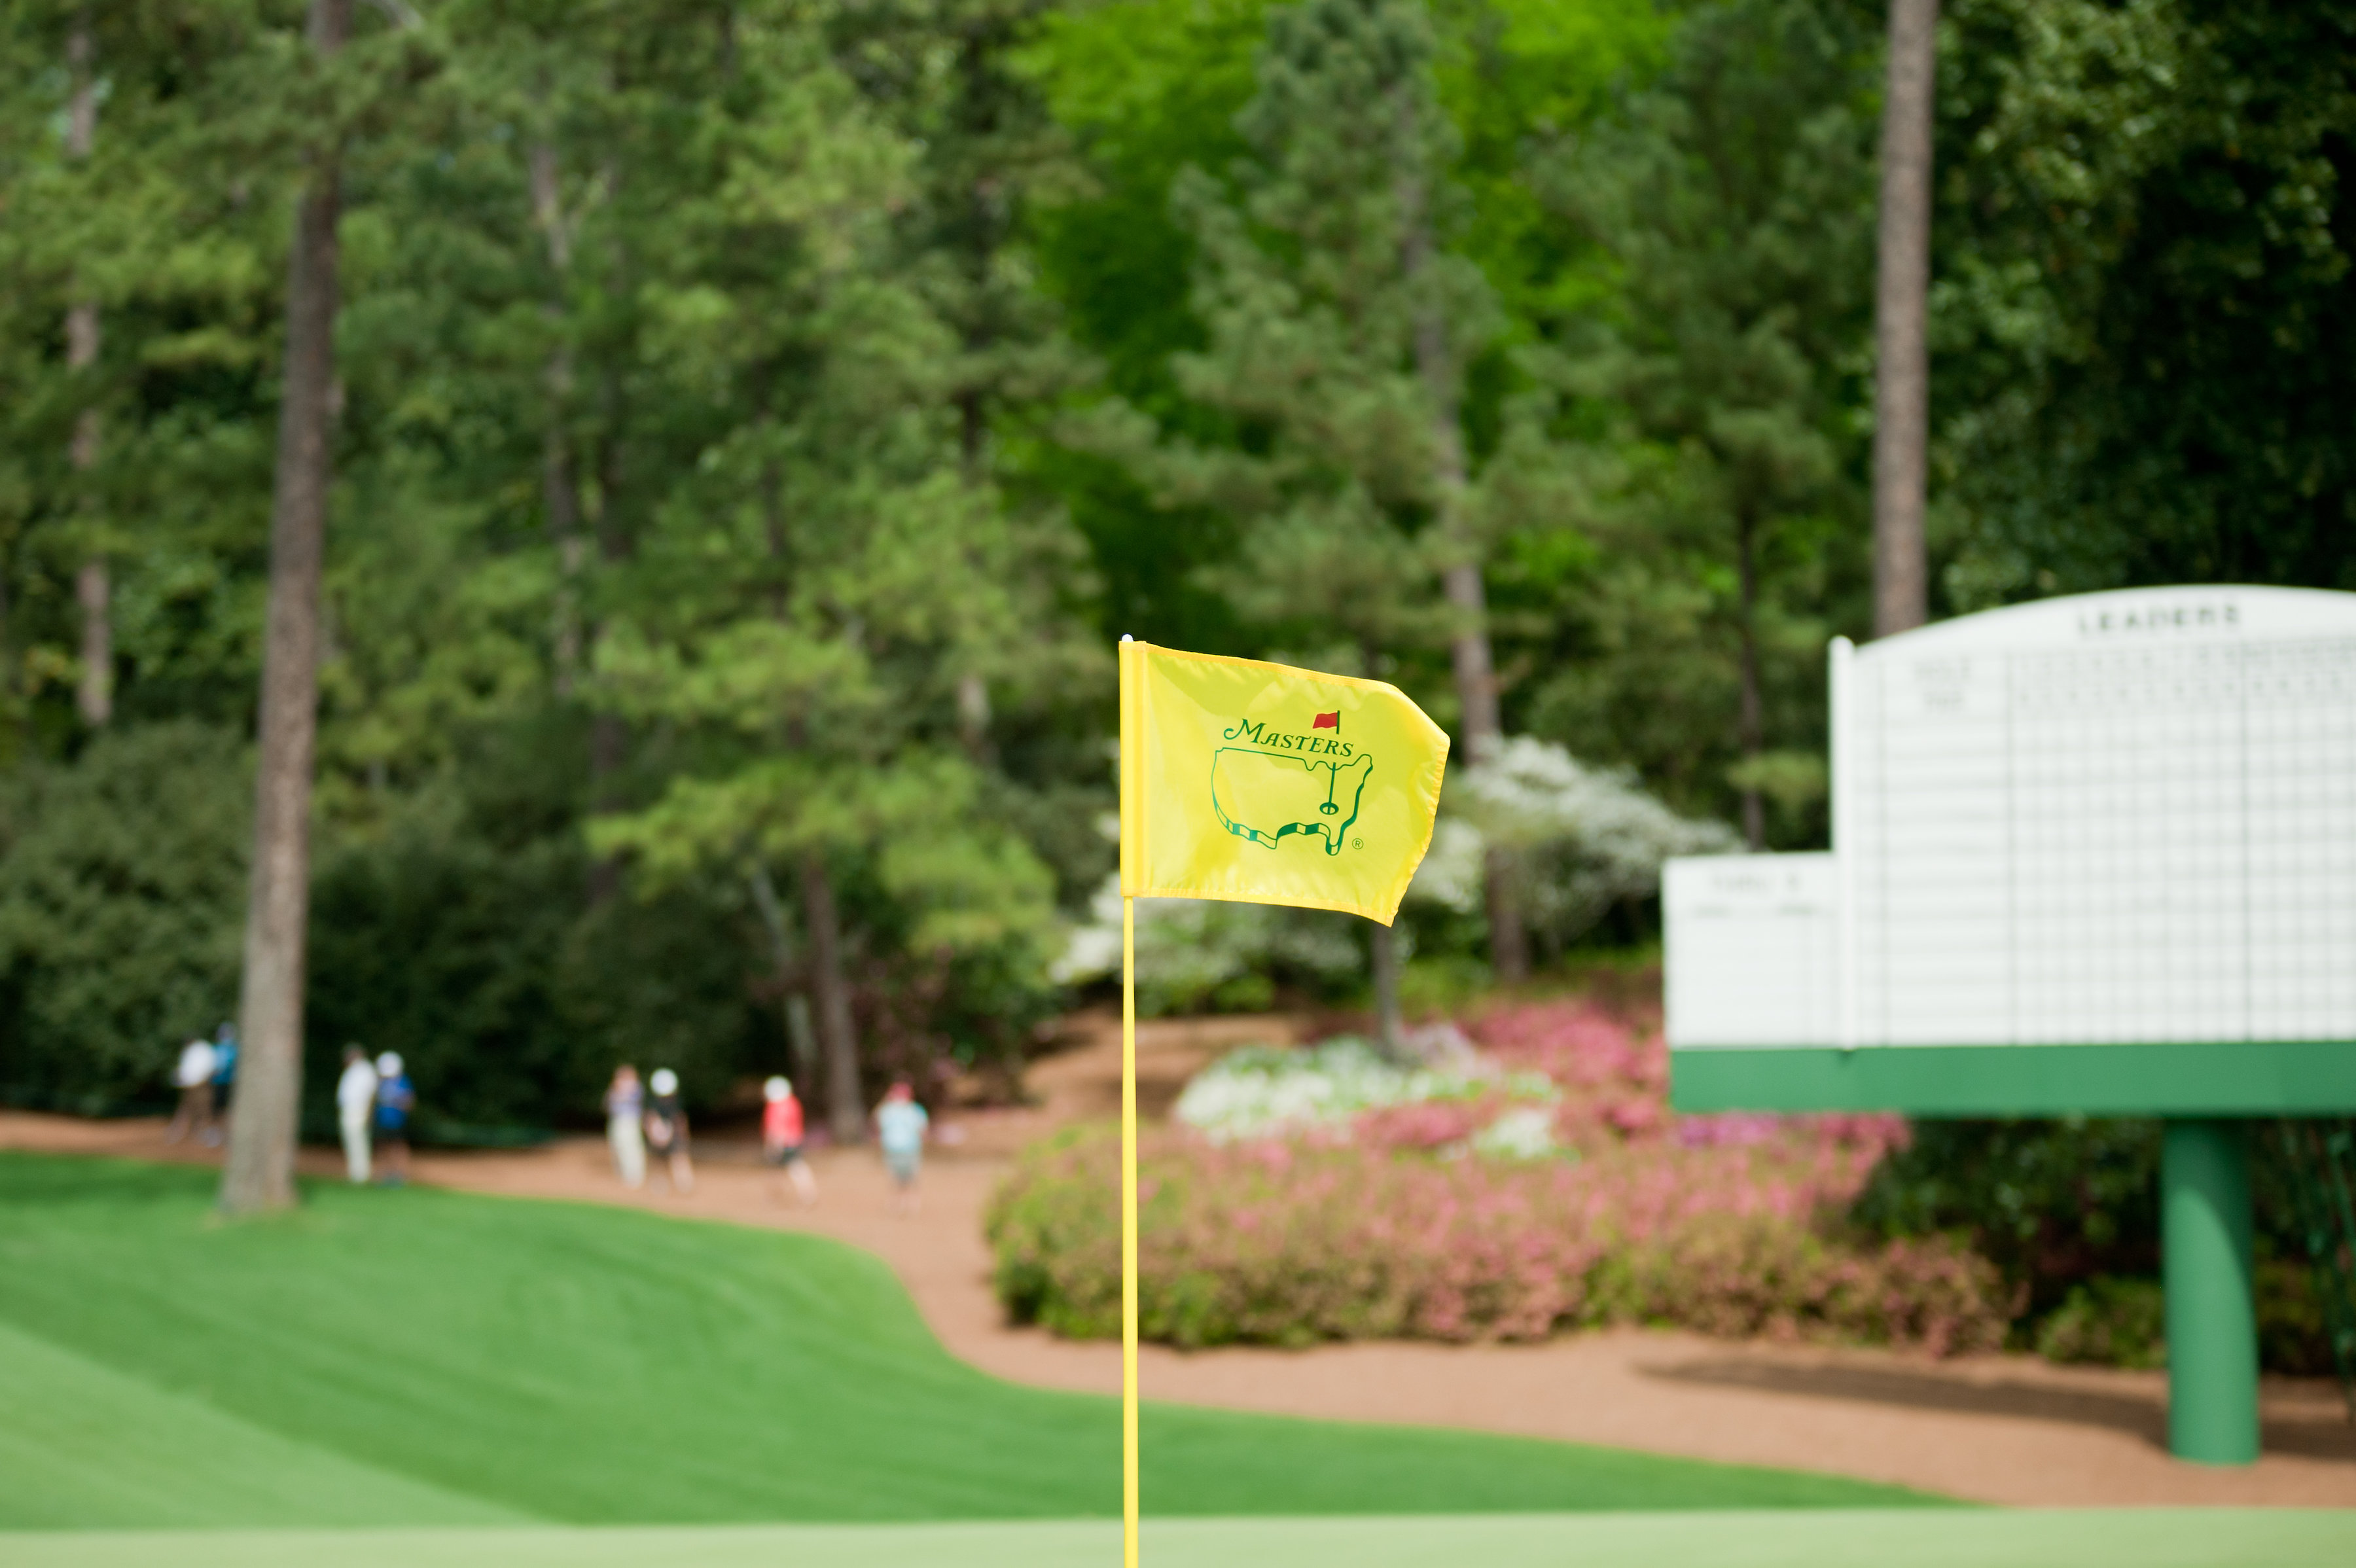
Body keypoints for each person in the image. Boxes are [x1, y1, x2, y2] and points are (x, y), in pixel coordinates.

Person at [874, 1080, 929, 1216]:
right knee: (894, 1179)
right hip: (893, 1150)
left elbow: (923, 1130)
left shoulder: (915, 1111)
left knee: (911, 1179)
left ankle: (912, 1205)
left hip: (910, 1149)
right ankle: (894, 1205)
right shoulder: (887, 1110)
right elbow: (877, 1122)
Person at [760, 1076, 817, 1207]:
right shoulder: (793, 1102)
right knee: (795, 1168)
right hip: (796, 1141)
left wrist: (773, 1145)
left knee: (780, 1170)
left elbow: (776, 1127)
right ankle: (807, 1193)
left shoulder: (775, 1107)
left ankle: (773, 1198)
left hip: (782, 1143)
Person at [643, 1069, 693, 1195]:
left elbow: (680, 1120)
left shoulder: (676, 1101)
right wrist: (654, 1135)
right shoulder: (653, 1102)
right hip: (659, 1136)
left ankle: (685, 1184)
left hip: (674, 1134)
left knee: (679, 1158)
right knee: (659, 1161)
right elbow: (649, 1119)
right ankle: (660, 1184)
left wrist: (682, 1135)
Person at [335, 1046, 378, 1185]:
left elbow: (371, 1093)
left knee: (359, 1142)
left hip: (359, 1110)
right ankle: (355, 1172)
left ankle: (361, 1174)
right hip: (349, 1110)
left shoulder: (365, 1070)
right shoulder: (352, 1070)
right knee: (351, 1141)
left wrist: (369, 1112)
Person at [372, 1051, 415, 1186]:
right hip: (382, 1120)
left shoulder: (403, 1082)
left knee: (398, 1147)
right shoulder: (380, 1082)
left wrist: (397, 1101)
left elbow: (409, 1103)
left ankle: (399, 1175)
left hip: (397, 1121)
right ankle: (385, 1173)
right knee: (382, 1147)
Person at [165, 1036, 217, 1145]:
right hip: (189, 1086)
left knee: (203, 1109)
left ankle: (207, 1133)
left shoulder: (202, 1049)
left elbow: (208, 1067)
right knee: (186, 1109)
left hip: (201, 1084)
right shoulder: (190, 1051)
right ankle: (180, 1131)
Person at [603, 1065, 646, 1190]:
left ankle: (635, 1176)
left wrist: (621, 1090)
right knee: (618, 1147)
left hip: (630, 1120)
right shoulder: (614, 1089)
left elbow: (631, 1099)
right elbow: (608, 1104)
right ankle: (624, 1175)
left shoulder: (636, 1087)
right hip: (617, 1120)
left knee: (632, 1147)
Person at [205, 1023, 238, 1147]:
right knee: (215, 1110)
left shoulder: (234, 1049)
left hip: (228, 1083)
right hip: (217, 1084)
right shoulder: (217, 1048)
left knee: (227, 1111)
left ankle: (227, 1135)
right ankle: (215, 1133)